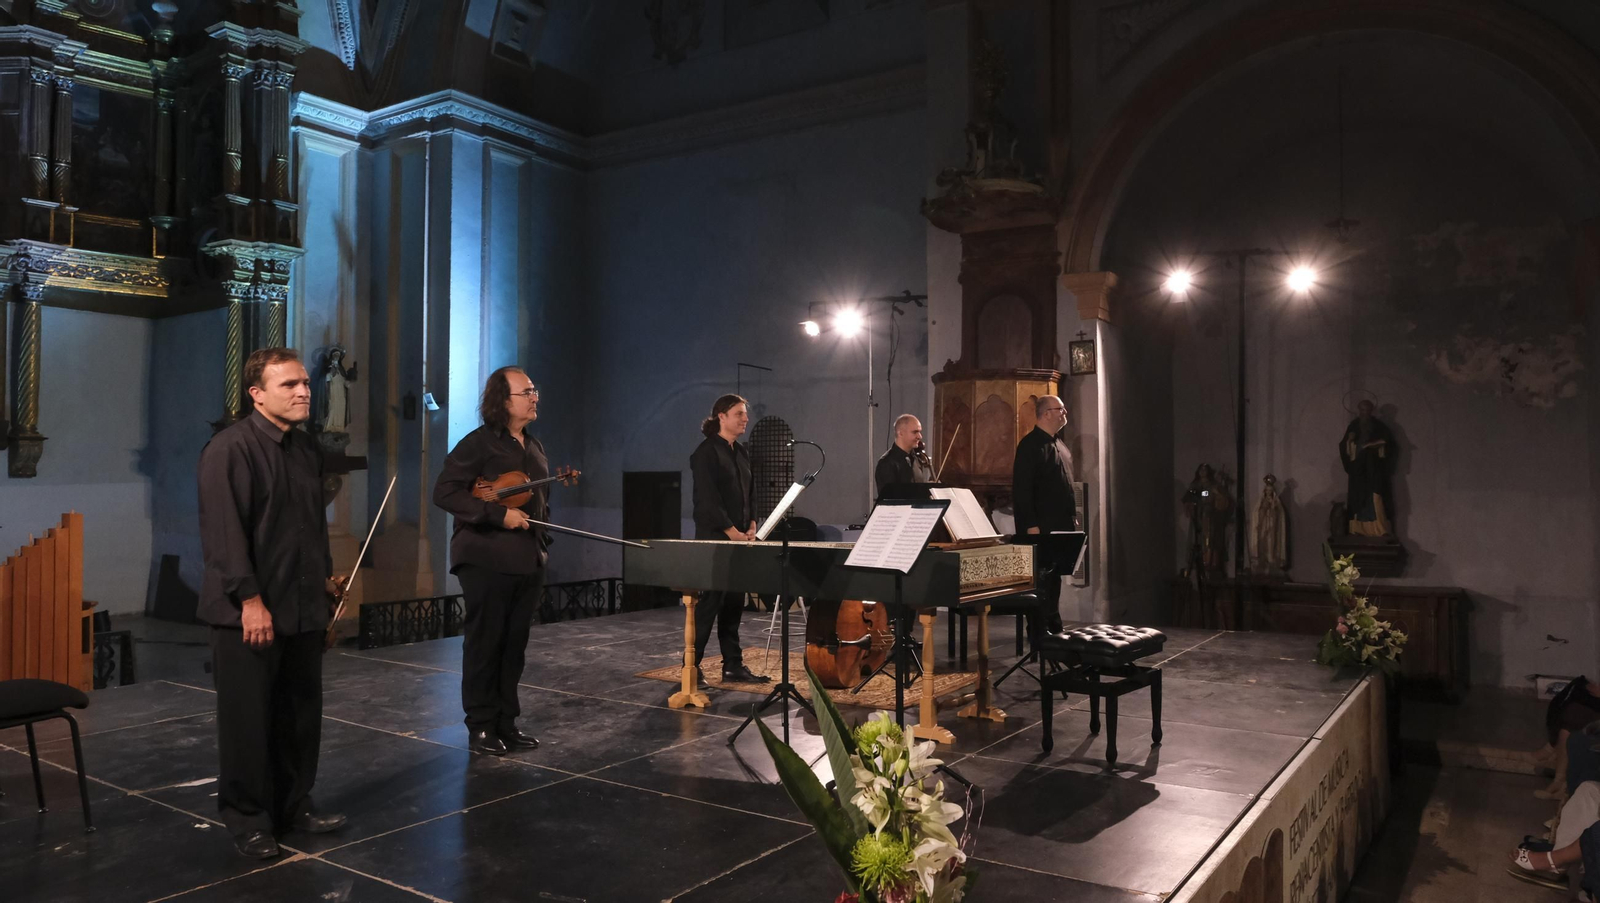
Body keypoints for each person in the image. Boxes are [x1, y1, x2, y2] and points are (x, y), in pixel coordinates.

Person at [197, 347, 347, 860]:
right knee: (248, 721)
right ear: (257, 394)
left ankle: (294, 805)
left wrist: (324, 582)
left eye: (305, 383)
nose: (304, 391)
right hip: (248, 612)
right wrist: (250, 601)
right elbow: (224, 537)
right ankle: (248, 819)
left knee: (300, 715)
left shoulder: (305, 449)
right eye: (290, 385)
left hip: (301, 606)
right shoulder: (229, 448)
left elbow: (310, 528)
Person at [432, 366, 552, 756]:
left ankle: (505, 722)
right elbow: (445, 492)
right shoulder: (478, 444)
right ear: (503, 400)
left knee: (514, 646)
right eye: (526, 392)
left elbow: (541, 503)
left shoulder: (534, 447)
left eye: (534, 391)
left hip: (527, 559)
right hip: (485, 557)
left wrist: (542, 543)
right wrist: (498, 515)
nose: (534, 397)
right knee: (486, 644)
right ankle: (481, 726)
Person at [689, 394, 770, 684]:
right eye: (739, 414)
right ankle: (691, 666)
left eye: (745, 414)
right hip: (715, 540)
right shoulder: (705, 453)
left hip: (739, 539)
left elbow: (751, 493)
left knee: (734, 604)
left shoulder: (741, 452)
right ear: (721, 416)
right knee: (709, 605)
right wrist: (731, 531)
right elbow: (707, 501)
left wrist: (752, 524)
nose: (745, 419)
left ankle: (732, 665)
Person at [1012, 395, 1078, 634]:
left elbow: (1065, 485)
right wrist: (1031, 525)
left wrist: (1071, 516)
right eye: (1060, 409)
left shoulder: (1059, 444)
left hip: (1060, 524)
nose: (1065, 412)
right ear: (1046, 413)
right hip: (1040, 527)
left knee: (1055, 578)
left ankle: (1053, 626)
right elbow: (1022, 490)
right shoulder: (1030, 446)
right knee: (1041, 580)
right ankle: (1040, 631)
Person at [1339, 399, 1397, 537]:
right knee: (1358, 497)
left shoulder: (1379, 426)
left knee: (1375, 494)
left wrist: (1374, 446)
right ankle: (1357, 527)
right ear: (1359, 411)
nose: (1364, 413)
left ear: (1371, 411)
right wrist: (1349, 441)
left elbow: (1389, 444)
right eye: (1362, 410)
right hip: (1358, 470)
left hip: (1373, 468)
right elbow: (1344, 447)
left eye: (1367, 410)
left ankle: (1379, 527)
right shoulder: (1353, 426)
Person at [874, 413, 932, 499]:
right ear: (900, 433)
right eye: (915, 432)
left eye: (919, 432)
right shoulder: (886, 463)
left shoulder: (916, 459)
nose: (920, 436)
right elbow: (889, 500)